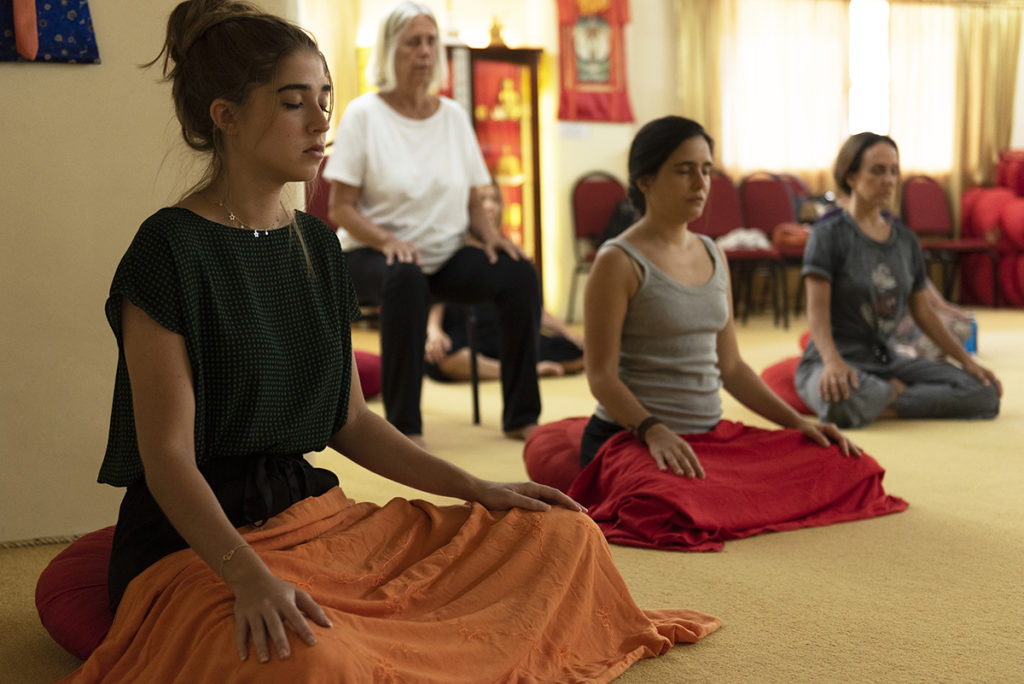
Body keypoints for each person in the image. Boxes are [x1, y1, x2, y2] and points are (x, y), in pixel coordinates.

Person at [72, 3, 719, 680]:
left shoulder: (316, 246)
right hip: (197, 543)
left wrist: (480, 487)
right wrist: (251, 579)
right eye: (296, 103)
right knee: (312, 660)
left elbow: (350, 420)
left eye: (325, 98)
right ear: (225, 115)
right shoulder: (169, 248)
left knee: (560, 534)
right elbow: (168, 456)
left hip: (310, 514)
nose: (323, 121)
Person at [529, 116, 907, 552]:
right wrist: (653, 430)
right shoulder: (617, 261)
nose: (701, 183)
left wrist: (801, 424)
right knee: (665, 507)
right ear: (646, 180)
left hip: (708, 438)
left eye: (706, 170)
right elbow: (601, 376)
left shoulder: (713, 253)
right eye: (685, 170)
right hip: (633, 437)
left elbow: (732, 367)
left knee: (844, 464)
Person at [323, 1, 541, 447]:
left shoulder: (453, 118)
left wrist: (492, 237)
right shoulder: (365, 115)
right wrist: (388, 240)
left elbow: (474, 197)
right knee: (405, 278)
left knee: (519, 273)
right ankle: (406, 428)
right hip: (372, 255)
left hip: (443, 255)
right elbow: (341, 209)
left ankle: (522, 415)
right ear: (390, 50)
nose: (424, 52)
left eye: (430, 42)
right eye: (412, 43)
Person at [795, 133, 1002, 428]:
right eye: (878, 171)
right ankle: (892, 395)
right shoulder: (828, 235)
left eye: (894, 171)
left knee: (984, 391)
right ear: (851, 176)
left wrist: (967, 362)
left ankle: (885, 400)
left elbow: (924, 313)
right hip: (833, 360)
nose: (889, 180)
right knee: (837, 398)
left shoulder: (905, 240)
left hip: (885, 362)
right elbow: (816, 313)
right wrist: (831, 362)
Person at [425, 181, 584, 382]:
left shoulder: (509, 252)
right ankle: (523, 371)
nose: (490, 205)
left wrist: (570, 334)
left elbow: (534, 310)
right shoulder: (450, 248)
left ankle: (509, 368)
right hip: (463, 331)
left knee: (577, 352)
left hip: (500, 331)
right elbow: (435, 302)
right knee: (441, 357)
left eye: (495, 199)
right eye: (482, 200)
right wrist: (434, 332)